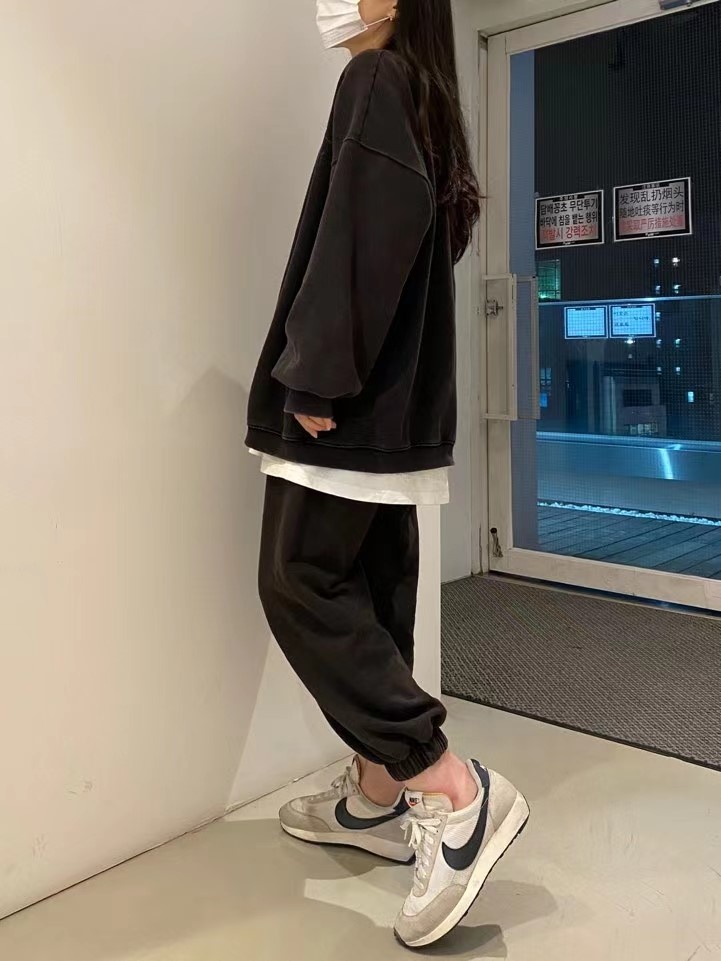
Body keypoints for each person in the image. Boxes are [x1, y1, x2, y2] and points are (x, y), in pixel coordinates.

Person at [246, 0, 529, 948]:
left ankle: (447, 784)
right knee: (370, 592)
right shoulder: (425, 94)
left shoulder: (374, 78)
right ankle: (377, 790)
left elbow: (360, 235)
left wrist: (317, 371)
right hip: (399, 412)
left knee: (298, 581)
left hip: (351, 403)